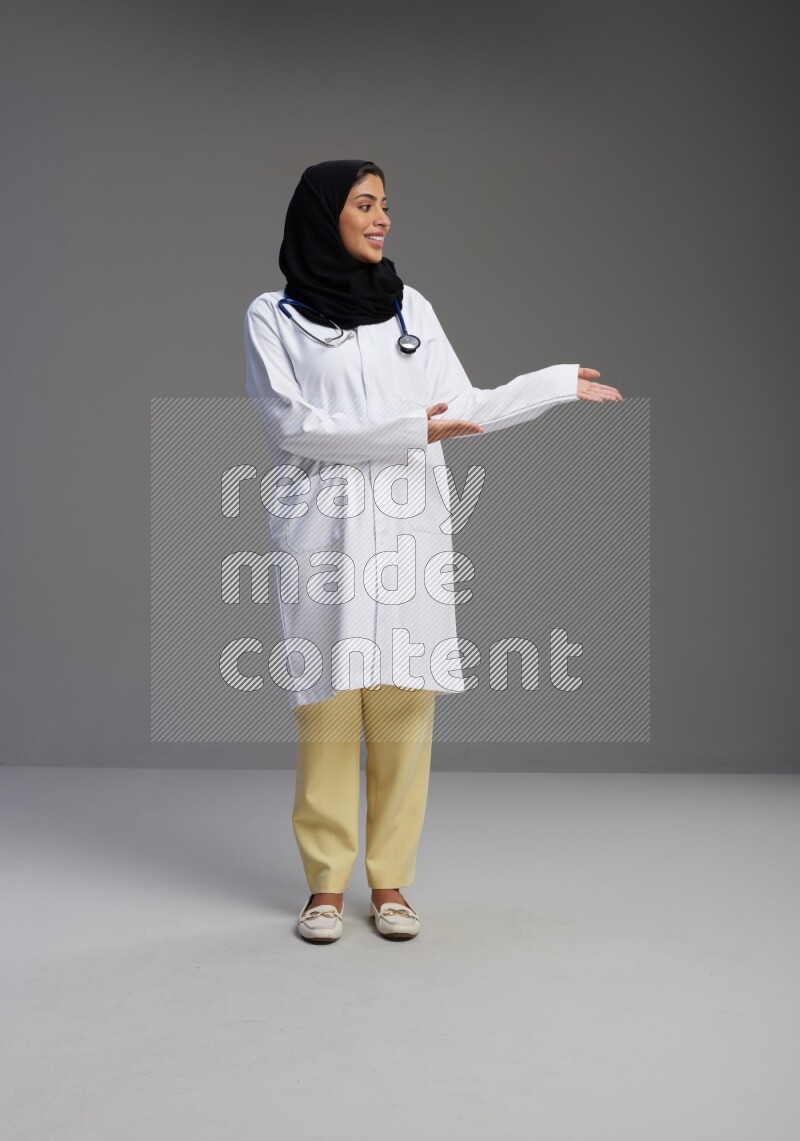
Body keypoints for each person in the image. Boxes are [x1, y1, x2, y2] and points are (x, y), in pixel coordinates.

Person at [244, 159, 622, 944]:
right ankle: (323, 887)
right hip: (327, 530)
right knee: (327, 710)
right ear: (324, 215)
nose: (382, 218)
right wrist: (412, 430)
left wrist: (550, 384)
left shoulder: (409, 308)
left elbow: (466, 405)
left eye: (386, 206)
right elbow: (295, 426)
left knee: (404, 709)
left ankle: (389, 883)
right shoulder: (273, 316)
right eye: (365, 204)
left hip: (408, 525)